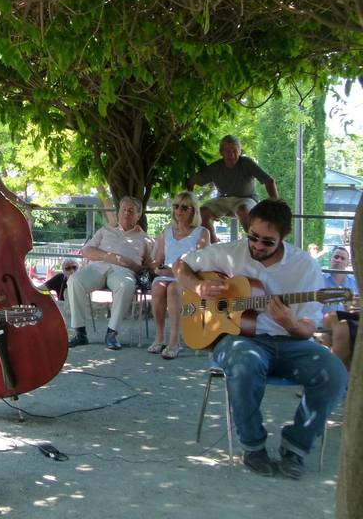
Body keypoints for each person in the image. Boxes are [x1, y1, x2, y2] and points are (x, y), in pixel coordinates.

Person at [174, 199, 348, 479]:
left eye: (267, 242)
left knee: (335, 373)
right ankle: (253, 447)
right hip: (240, 338)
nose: (257, 245)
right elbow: (180, 266)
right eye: (252, 237)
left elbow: (306, 329)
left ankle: (296, 448)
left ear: (283, 238)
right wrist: (198, 286)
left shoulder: (305, 268)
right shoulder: (231, 252)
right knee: (245, 362)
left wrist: (289, 322)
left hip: (291, 342)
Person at [65, 196, 154, 350]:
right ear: (118, 212)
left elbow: (149, 265)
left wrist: (135, 266)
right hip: (97, 268)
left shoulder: (145, 239)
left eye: (131, 211)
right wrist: (110, 257)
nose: (126, 213)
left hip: (123, 272)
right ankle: (80, 333)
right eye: (123, 209)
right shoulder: (105, 230)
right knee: (74, 280)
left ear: (138, 215)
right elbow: (86, 251)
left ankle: (112, 333)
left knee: (126, 284)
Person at [147, 191, 210, 359]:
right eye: (176, 206)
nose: (179, 211)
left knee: (173, 289)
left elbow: (202, 262)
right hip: (166, 274)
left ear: (193, 211)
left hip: (189, 276)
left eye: (184, 207)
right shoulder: (167, 232)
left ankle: (174, 341)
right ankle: (159, 337)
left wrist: (178, 270)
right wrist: (156, 268)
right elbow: (157, 259)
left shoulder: (202, 232)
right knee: (158, 288)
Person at [186, 134, 278, 242]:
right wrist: (190, 204)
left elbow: (269, 181)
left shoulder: (246, 163)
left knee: (243, 210)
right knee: (202, 212)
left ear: (240, 151)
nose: (232, 155)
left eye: (235, 151)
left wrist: (275, 207)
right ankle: (214, 243)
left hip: (246, 199)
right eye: (228, 152)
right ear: (221, 153)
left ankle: (257, 242)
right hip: (222, 199)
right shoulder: (215, 167)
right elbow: (191, 181)